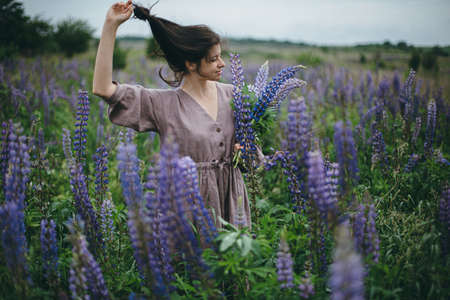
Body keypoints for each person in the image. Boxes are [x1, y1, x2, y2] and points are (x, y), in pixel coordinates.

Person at [93, 0, 264, 229]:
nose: (222, 64)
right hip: (188, 214)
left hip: (233, 210)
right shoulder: (162, 104)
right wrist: (110, 26)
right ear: (190, 64)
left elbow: (254, 162)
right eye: (213, 59)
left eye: (221, 56)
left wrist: (244, 155)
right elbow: (103, 89)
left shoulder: (235, 96)